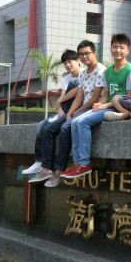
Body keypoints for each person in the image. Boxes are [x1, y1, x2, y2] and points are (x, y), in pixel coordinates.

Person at [60, 34, 131, 180]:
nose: (118, 50)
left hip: (120, 107)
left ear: (128, 50)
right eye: (115, 47)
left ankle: (84, 163)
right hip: (108, 105)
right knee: (75, 122)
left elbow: (129, 98)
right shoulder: (108, 72)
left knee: (82, 122)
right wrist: (100, 104)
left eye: (122, 47)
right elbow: (105, 94)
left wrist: (104, 105)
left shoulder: (130, 70)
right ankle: (77, 163)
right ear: (110, 49)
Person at [43, 40, 106, 187]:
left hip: (94, 108)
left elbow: (95, 98)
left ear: (94, 53)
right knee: (54, 127)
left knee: (66, 127)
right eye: (81, 54)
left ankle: (68, 167)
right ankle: (68, 165)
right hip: (82, 109)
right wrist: (70, 113)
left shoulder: (101, 70)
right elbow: (79, 96)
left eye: (87, 53)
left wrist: (76, 112)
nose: (84, 57)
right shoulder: (83, 74)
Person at [24, 49, 81, 183]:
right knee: (41, 126)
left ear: (78, 61)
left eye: (70, 62)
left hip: (76, 111)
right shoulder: (66, 78)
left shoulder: (83, 75)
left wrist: (61, 102)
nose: (68, 65)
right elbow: (60, 101)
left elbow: (76, 92)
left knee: (52, 129)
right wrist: (60, 109)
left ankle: (53, 168)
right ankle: (40, 162)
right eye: (65, 63)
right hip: (65, 111)